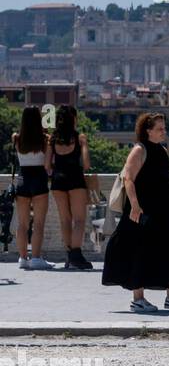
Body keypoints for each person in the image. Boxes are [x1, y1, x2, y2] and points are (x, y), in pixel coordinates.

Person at [101, 112, 169, 312]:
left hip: (164, 210)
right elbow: (128, 179)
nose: (164, 132)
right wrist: (134, 205)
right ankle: (138, 299)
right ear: (148, 131)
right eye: (159, 129)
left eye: (164, 128)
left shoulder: (161, 149)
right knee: (139, 250)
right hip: (144, 210)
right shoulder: (139, 150)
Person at [48, 105, 94, 271]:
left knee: (65, 219)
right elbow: (87, 164)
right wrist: (84, 144)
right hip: (75, 179)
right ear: (73, 119)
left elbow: (47, 165)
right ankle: (76, 256)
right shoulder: (79, 137)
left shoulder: (52, 139)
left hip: (58, 181)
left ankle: (70, 256)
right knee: (79, 220)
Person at [10, 105, 53, 270]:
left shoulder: (16, 138)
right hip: (39, 179)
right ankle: (36, 258)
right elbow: (48, 166)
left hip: (23, 179)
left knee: (22, 224)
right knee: (39, 223)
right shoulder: (46, 139)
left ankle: (22, 258)